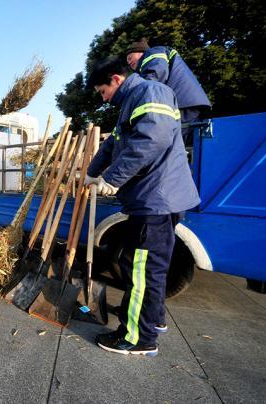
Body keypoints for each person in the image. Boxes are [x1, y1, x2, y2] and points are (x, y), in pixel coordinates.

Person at [84, 56, 200, 356]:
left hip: (155, 200)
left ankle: (138, 338)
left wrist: (114, 179)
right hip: (154, 200)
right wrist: (92, 172)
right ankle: (154, 320)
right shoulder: (132, 102)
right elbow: (113, 144)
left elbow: (152, 139)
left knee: (140, 271)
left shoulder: (151, 92)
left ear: (116, 80)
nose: (104, 98)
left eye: (102, 92)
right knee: (150, 269)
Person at [126, 39, 211, 146]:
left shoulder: (152, 53)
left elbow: (154, 76)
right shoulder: (156, 57)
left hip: (183, 105)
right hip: (187, 104)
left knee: (173, 143)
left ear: (141, 52)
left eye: (130, 58)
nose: (129, 62)